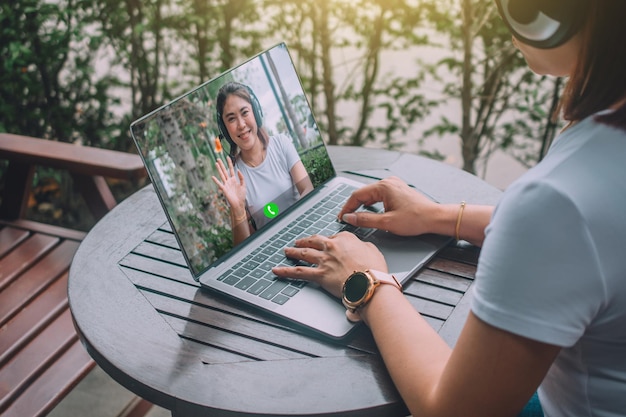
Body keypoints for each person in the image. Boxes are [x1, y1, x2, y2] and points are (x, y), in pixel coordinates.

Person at [272, 1, 626, 416]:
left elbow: (452, 410)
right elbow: (593, 236)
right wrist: (440, 217)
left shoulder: (556, 202)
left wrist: (366, 282)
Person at [212, 82, 313, 245]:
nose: (241, 125)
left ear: (256, 113)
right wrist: (237, 210)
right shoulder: (234, 179)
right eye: (231, 119)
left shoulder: (281, 143)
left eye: (245, 112)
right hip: (274, 252)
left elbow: (307, 188)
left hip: (307, 231)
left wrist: (293, 230)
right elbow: (243, 245)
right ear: (225, 129)